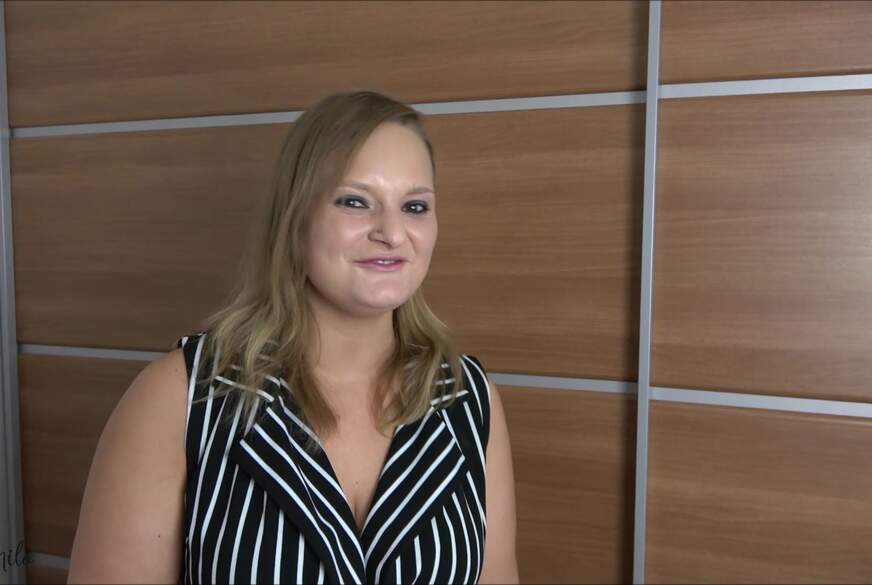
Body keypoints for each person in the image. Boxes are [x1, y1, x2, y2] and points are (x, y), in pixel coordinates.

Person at [67, 90, 519, 584]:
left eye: (414, 206)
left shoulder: (467, 400)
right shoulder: (181, 398)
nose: (392, 232)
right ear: (295, 217)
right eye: (354, 202)